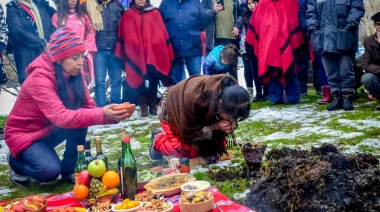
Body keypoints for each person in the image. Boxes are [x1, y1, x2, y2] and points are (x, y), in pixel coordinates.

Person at [5, 27, 132, 186]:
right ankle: (16, 162)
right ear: (59, 58)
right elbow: (61, 117)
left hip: (50, 129)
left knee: (81, 119)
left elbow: (89, 109)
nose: (80, 63)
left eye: (82, 57)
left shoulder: (75, 74)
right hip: (25, 136)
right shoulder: (39, 78)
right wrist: (102, 113)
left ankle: (70, 169)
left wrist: (113, 114)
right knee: (49, 171)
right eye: (75, 58)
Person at [149, 74, 251, 160]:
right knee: (185, 151)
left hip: (198, 114)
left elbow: (230, 114)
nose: (232, 120)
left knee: (216, 148)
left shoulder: (232, 93)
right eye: (231, 117)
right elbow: (188, 132)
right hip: (174, 112)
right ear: (220, 104)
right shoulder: (194, 100)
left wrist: (231, 124)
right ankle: (158, 140)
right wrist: (215, 127)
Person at [115, 0, 174, 117]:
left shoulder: (155, 13)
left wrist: (154, 44)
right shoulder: (128, 15)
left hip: (153, 52)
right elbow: (126, 35)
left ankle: (152, 105)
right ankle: (143, 106)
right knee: (138, 77)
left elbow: (161, 33)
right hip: (135, 54)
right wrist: (134, 45)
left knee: (154, 77)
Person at [307, 0, 364, 111]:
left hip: (344, 36)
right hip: (323, 38)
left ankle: (347, 96)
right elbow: (310, 13)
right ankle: (336, 96)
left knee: (345, 70)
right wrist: (314, 29)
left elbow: (357, 9)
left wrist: (349, 26)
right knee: (331, 72)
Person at [246, 0, 304, 104]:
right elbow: (257, 22)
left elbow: (294, 20)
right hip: (269, 45)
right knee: (273, 70)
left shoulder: (290, 2)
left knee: (289, 68)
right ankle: (277, 97)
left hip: (287, 45)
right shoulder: (263, 4)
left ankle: (291, 96)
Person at [159, 0, 215, 85]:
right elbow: (159, 23)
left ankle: (195, 98)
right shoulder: (165, 3)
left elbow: (203, 21)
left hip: (193, 45)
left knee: (196, 80)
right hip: (173, 46)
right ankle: (177, 97)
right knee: (175, 81)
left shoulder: (195, 2)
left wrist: (213, 11)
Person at [6, 0, 56, 84]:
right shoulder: (13, 8)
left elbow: (51, 26)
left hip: (47, 57)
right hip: (28, 59)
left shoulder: (39, 5)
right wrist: (42, 44)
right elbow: (18, 32)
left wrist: (50, 43)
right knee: (33, 89)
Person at [52, 0, 97, 86]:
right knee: (66, 84)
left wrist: (86, 48)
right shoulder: (57, 17)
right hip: (65, 57)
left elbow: (91, 32)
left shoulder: (83, 17)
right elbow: (54, 36)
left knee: (81, 84)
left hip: (81, 55)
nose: (73, 1)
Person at [93, 0, 124, 107]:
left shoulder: (118, 5)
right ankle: (101, 108)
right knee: (99, 81)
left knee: (116, 80)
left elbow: (125, 25)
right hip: (98, 50)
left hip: (115, 49)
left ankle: (116, 106)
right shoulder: (92, 4)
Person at [361, 12, 380, 110]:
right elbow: (366, 64)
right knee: (366, 78)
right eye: (378, 24)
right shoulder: (369, 41)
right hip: (377, 73)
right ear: (374, 25)